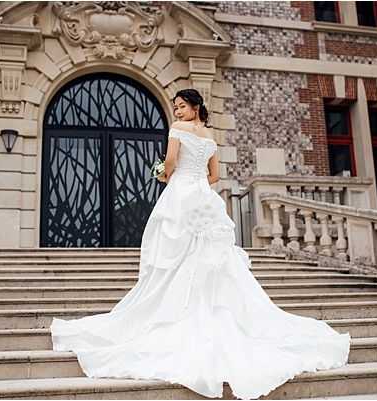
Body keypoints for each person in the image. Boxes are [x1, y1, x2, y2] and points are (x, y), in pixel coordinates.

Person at [50, 88, 351, 400]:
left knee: (172, 256)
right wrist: (192, 182)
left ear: (194, 107)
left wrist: (165, 176)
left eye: (181, 106)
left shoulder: (177, 129)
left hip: (180, 197)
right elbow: (214, 176)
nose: (177, 112)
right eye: (176, 108)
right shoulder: (209, 136)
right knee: (207, 258)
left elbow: (168, 163)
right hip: (204, 200)